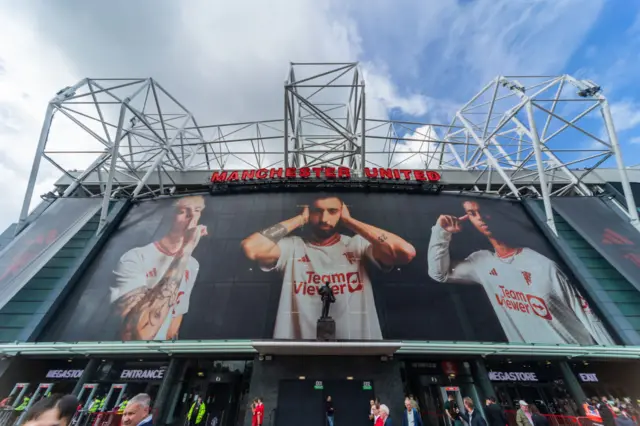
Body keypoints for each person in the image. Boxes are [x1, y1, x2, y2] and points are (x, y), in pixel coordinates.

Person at [427, 199, 615, 344]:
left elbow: (588, 315)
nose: (481, 217)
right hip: (534, 360)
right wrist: (441, 232)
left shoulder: (543, 264)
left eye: (483, 212)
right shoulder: (482, 261)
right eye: (472, 213)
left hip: (576, 354)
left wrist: (617, 357)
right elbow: (439, 274)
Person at [242, 195, 416, 339]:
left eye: (333, 211)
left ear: (342, 212)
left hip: (360, 353)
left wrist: (350, 221)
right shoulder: (292, 247)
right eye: (317, 211)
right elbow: (251, 248)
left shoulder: (358, 245)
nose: (324, 219)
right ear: (309, 212)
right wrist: (299, 219)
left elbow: (405, 252)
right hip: (296, 353)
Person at [111, 196, 207, 341]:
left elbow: (176, 314)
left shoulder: (192, 264)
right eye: (182, 211)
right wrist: (187, 248)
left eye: (197, 210)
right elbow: (137, 334)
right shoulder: (136, 257)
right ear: (169, 216)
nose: (192, 217)